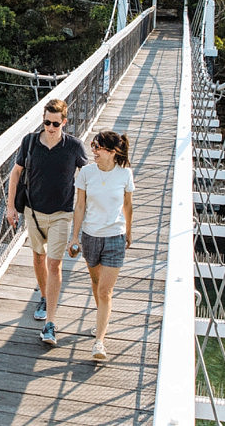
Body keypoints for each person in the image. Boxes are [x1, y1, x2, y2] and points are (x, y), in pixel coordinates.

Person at [6, 98, 88, 346]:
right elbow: (16, 173)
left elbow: (87, 179)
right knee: (38, 257)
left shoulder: (74, 146)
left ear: (64, 122)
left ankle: (50, 324)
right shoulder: (30, 141)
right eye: (46, 123)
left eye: (55, 123)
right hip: (33, 212)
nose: (50, 128)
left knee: (54, 264)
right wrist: (10, 207)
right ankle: (43, 295)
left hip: (62, 213)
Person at [68, 130, 134, 360]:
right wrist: (74, 237)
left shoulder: (125, 174)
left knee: (105, 290)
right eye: (93, 146)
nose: (93, 151)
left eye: (97, 147)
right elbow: (80, 207)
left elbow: (128, 205)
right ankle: (101, 319)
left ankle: (99, 342)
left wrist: (129, 231)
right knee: (96, 283)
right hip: (90, 236)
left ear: (112, 152)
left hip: (115, 236)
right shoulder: (86, 172)